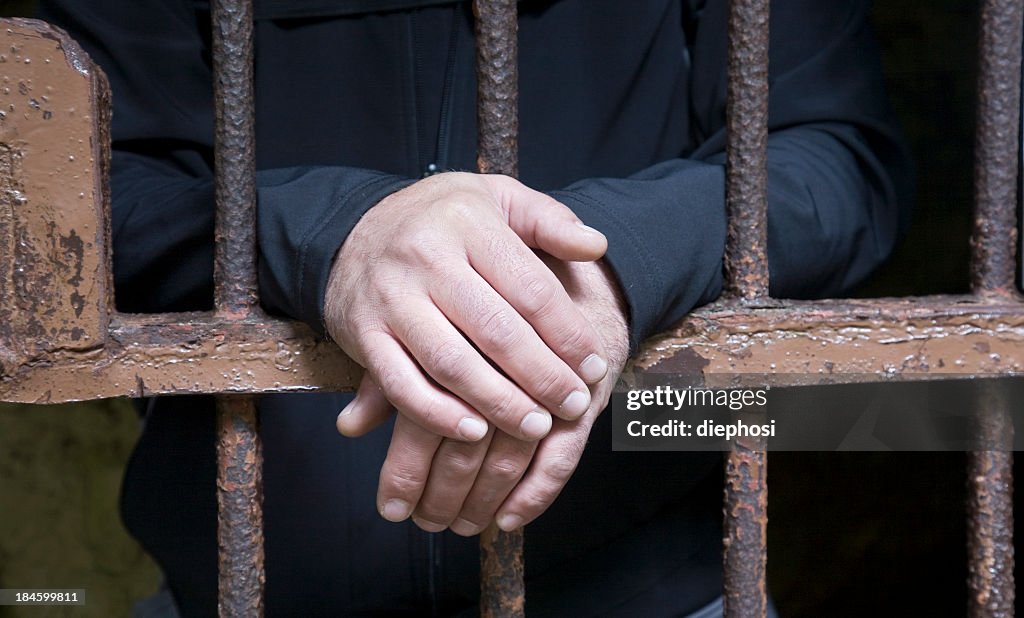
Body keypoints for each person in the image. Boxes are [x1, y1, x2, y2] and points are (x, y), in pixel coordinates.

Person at [38, 0, 912, 615]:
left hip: (651, 587)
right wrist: (333, 234)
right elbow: (70, 194)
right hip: (237, 589)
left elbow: (835, 154)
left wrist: (601, 263)